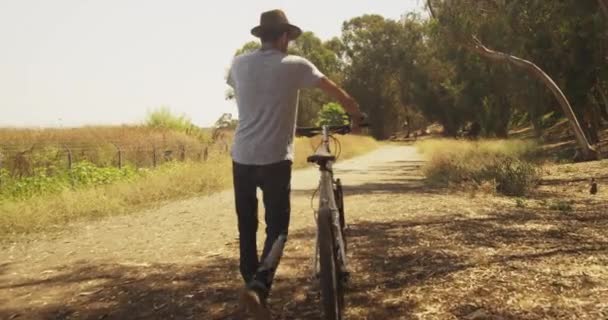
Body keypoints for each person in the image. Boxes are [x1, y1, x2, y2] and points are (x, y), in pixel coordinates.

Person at [226, 9, 363, 319]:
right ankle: (258, 288)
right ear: (285, 36)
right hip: (274, 158)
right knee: (278, 229)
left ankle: (251, 288)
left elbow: (244, 91)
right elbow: (336, 91)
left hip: (242, 156)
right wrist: (356, 115)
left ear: (261, 36)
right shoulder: (294, 65)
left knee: (246, 225)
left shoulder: (239, 64)